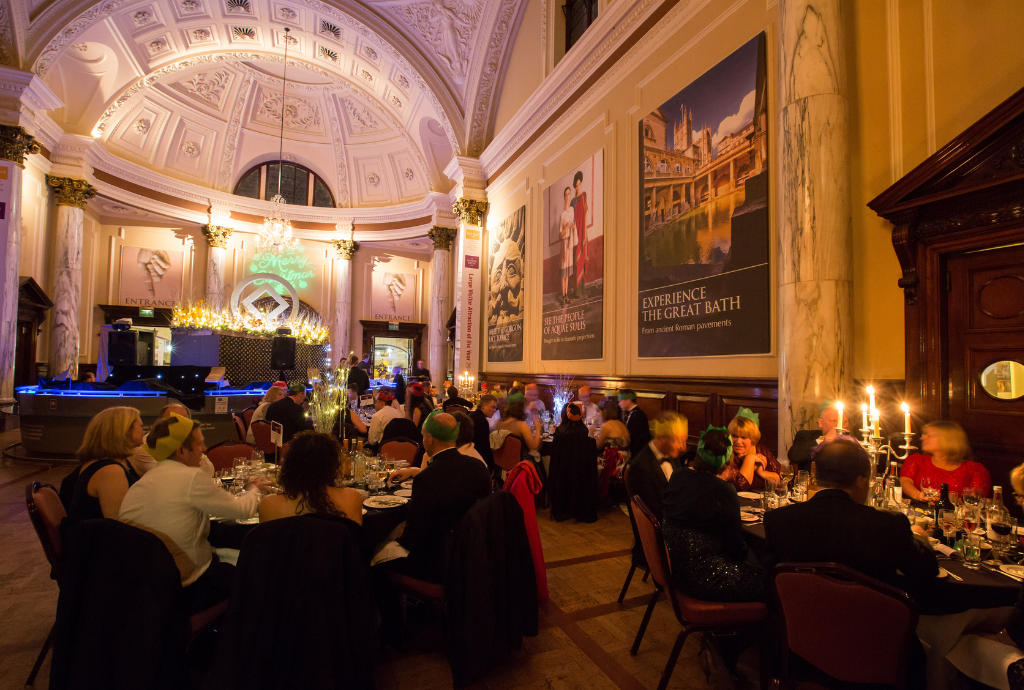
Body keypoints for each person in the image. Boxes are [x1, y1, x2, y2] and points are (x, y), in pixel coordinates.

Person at [119, 414, 261, 613]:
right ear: (181, 451)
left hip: (142, 588)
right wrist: (255, 489)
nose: (204, 450)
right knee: (258, 575)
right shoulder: (191, 476)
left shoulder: (141, 483)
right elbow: (242, 511)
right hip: (187, 588)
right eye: (200, 444)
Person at [765, 436, 938, 588]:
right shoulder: (889, 524)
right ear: (861, 482)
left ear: (816, 476)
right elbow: (927, 571)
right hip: (871, 620)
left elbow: (773, 580)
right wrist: (919, 536)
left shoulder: (778, 519)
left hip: (801, 618)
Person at [663, 426, 764, 603]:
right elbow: (736, 548)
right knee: (769, 576)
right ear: (727, 459)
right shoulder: (723, 489)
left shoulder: (678, 475)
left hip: (674, 569)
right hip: (704, 577)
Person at [388, 412, 491, 581]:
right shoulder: (478, 467)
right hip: (474, 556)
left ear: (430, 439)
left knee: (373, 558)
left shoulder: (427, 479)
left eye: (422, 436)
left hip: (437, 564)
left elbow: (413, 539)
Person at [61, 406, 144, 544]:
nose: (144, 431)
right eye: (140, 426)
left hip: (94, 545)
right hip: (97, 554)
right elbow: (120, 527)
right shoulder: (110, 471)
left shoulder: (109, 463)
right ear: (125, 431)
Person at [258, 431, 363, 524]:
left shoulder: (268, 505)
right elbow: (355, 543)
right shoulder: (351, 499)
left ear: (289, 465)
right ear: (332, 466)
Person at [625, 412, 687, 564]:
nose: (683, 447)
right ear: (662, 438)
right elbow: (656, 513)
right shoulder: (640, 468)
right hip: (660, 539)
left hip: (675, 523)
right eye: (679, 441)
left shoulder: (672, 456)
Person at [900, 420, 991, 500]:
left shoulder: (975, 469)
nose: (922, 438)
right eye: (924, 434)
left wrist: (944, 498)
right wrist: (918, 495)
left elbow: (975, 500)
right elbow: (905, 481)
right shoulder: (916, 460)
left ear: (948, 439)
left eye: (930, 435)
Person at [129, 403, 215, 479]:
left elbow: (209, 470)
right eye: (172, 421)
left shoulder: (188, 442)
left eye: (185, 422)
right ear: (159, 423)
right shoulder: (147, 447)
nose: (180, 426)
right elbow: (173, 478)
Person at [548, 403, 598, 523]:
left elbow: (554, 462)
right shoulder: (585, 432)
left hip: (563, 475)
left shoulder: (560, 433)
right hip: (582, 476)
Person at [726, 408, 781, 491]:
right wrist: (750, 458)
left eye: (743, 437)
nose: (738, 441)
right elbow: (741, 486)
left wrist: (761, 472)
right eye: (735, 436)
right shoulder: (727, 454)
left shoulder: (762, 450)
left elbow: (780, 480)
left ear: (752, 439)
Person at [787, 401, 840, 473]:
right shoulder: (806, 436)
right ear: (820, 422)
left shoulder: (851, 442)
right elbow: (794, 456)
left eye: (844, 421)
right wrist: (823, 440)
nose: (840, 425)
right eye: (834, 421)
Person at [571, 170, 589, 299]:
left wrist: (585, 233)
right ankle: (576, 291)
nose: (577, 187)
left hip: (583, 232)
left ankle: (581, 290)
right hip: (575, 234)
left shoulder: (584, 196)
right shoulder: (572, 201)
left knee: (582, 261)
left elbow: (585, 214)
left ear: (581, 183)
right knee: (576, 262)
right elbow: (572, 218)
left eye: (579, 184)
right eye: (576, 185)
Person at [618, 389, 651, 458]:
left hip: (636, 454)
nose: (619, 404)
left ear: (628, 401)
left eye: (620, 401)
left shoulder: (639, 415)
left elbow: (633, 437)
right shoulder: (631, 413)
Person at [558, 186, 576, 305]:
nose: (567, 196)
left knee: (568, 273)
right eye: (566, 194)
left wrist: (572, 226)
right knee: (563, 273)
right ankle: (563, 297)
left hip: (569, 244)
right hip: (564, 244)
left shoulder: (572, 210)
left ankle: (566, 296)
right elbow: (560, 234)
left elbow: (574, 225)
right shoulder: (562, 215)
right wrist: (566, 227)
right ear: (564, 197)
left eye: (569, 194)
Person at [470, 395, 497, 471]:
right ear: (483, 406)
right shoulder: (482, 421)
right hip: (477, 460)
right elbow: (483, 447)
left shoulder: (473, 415)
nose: (495, 410)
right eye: (492, 407)